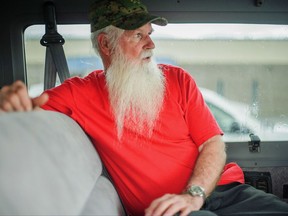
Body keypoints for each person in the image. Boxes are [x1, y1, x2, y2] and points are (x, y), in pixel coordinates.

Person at [1, 0, 288, 215]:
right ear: (106, 44)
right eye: (137, 35)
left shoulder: (178, 80)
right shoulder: (80, 94)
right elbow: (27, 111)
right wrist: (10, 103)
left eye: (149, 33)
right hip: (168, 210)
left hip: (228, 191)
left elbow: (212, 143)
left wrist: (195, 194)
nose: (150, 43)